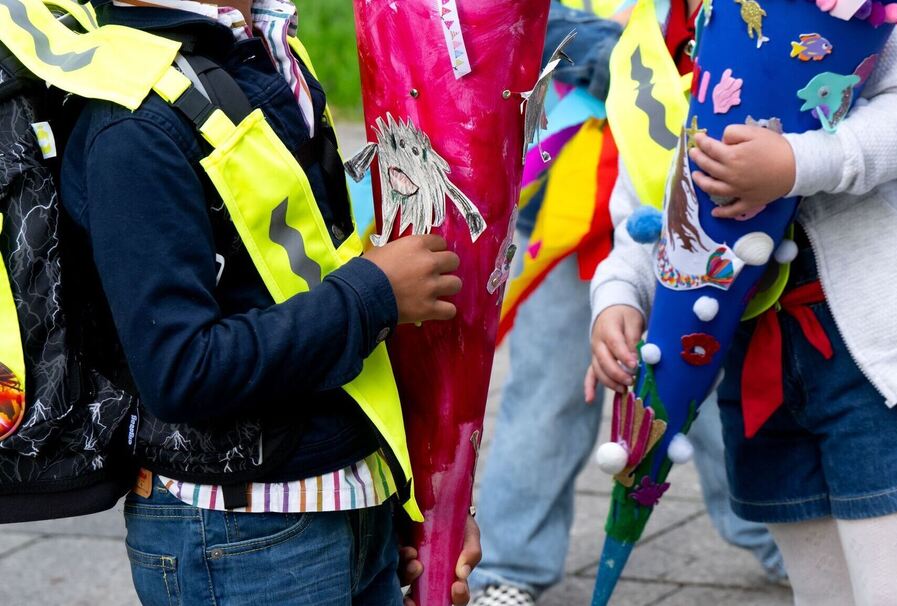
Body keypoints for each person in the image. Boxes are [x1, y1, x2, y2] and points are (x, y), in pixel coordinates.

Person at [60, 1, 478, 604]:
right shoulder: (133, 123)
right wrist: (374, 294)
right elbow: (180, 369)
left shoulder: (263, 48)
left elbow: (302, 276)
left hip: (352, 491)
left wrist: (416, 488)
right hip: (243, 534)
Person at [588, 16, 897, 605]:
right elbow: (650, 204)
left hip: (879, 359)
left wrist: (799, 162)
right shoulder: (653, 37)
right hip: (756, 371)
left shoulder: (841, 7)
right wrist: (619, 294)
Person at [470, 3, 783, 605]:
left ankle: (775, 534)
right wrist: (623, 53)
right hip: (568, 192)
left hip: (702, 194)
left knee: (715, 390)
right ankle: (510, 565)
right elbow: (518, 17)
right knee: (548, 393)